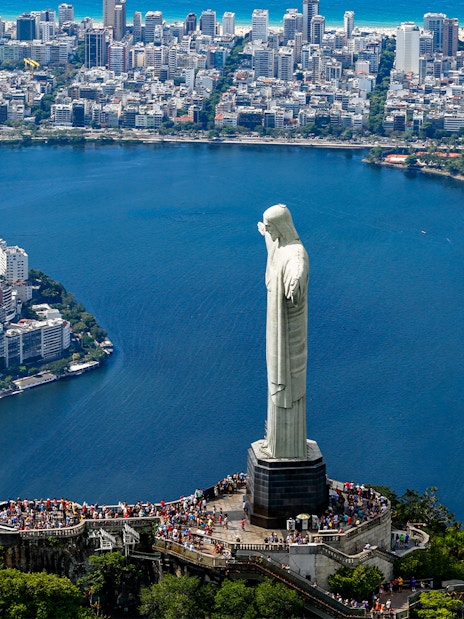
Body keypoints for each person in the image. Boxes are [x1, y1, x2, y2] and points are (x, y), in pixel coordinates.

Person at [258, 204, 310, 459]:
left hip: (288, 334)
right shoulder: (279, 246)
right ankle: (276, 445)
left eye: (270, 226)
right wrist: (265, 235)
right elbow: (272, 246)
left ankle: (289, 450)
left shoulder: (296, 254)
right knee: (275, 382)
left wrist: (294, 281)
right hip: (275, 328)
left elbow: (296, 270)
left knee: (287, 383)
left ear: (281, 226)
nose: (268, 230)